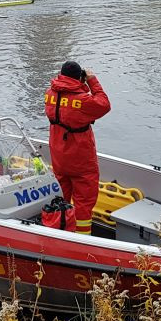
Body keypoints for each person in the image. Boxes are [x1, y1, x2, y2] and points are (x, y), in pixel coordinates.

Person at [45, 61, 111, 234]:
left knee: (61, 198)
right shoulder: (82, 100)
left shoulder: (50, 94)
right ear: (78, 78)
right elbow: (104, 104)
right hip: (80, 160)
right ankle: (82, 238)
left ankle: (60, 231)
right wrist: (92, 80)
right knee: (84, 203)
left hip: (59, 157)